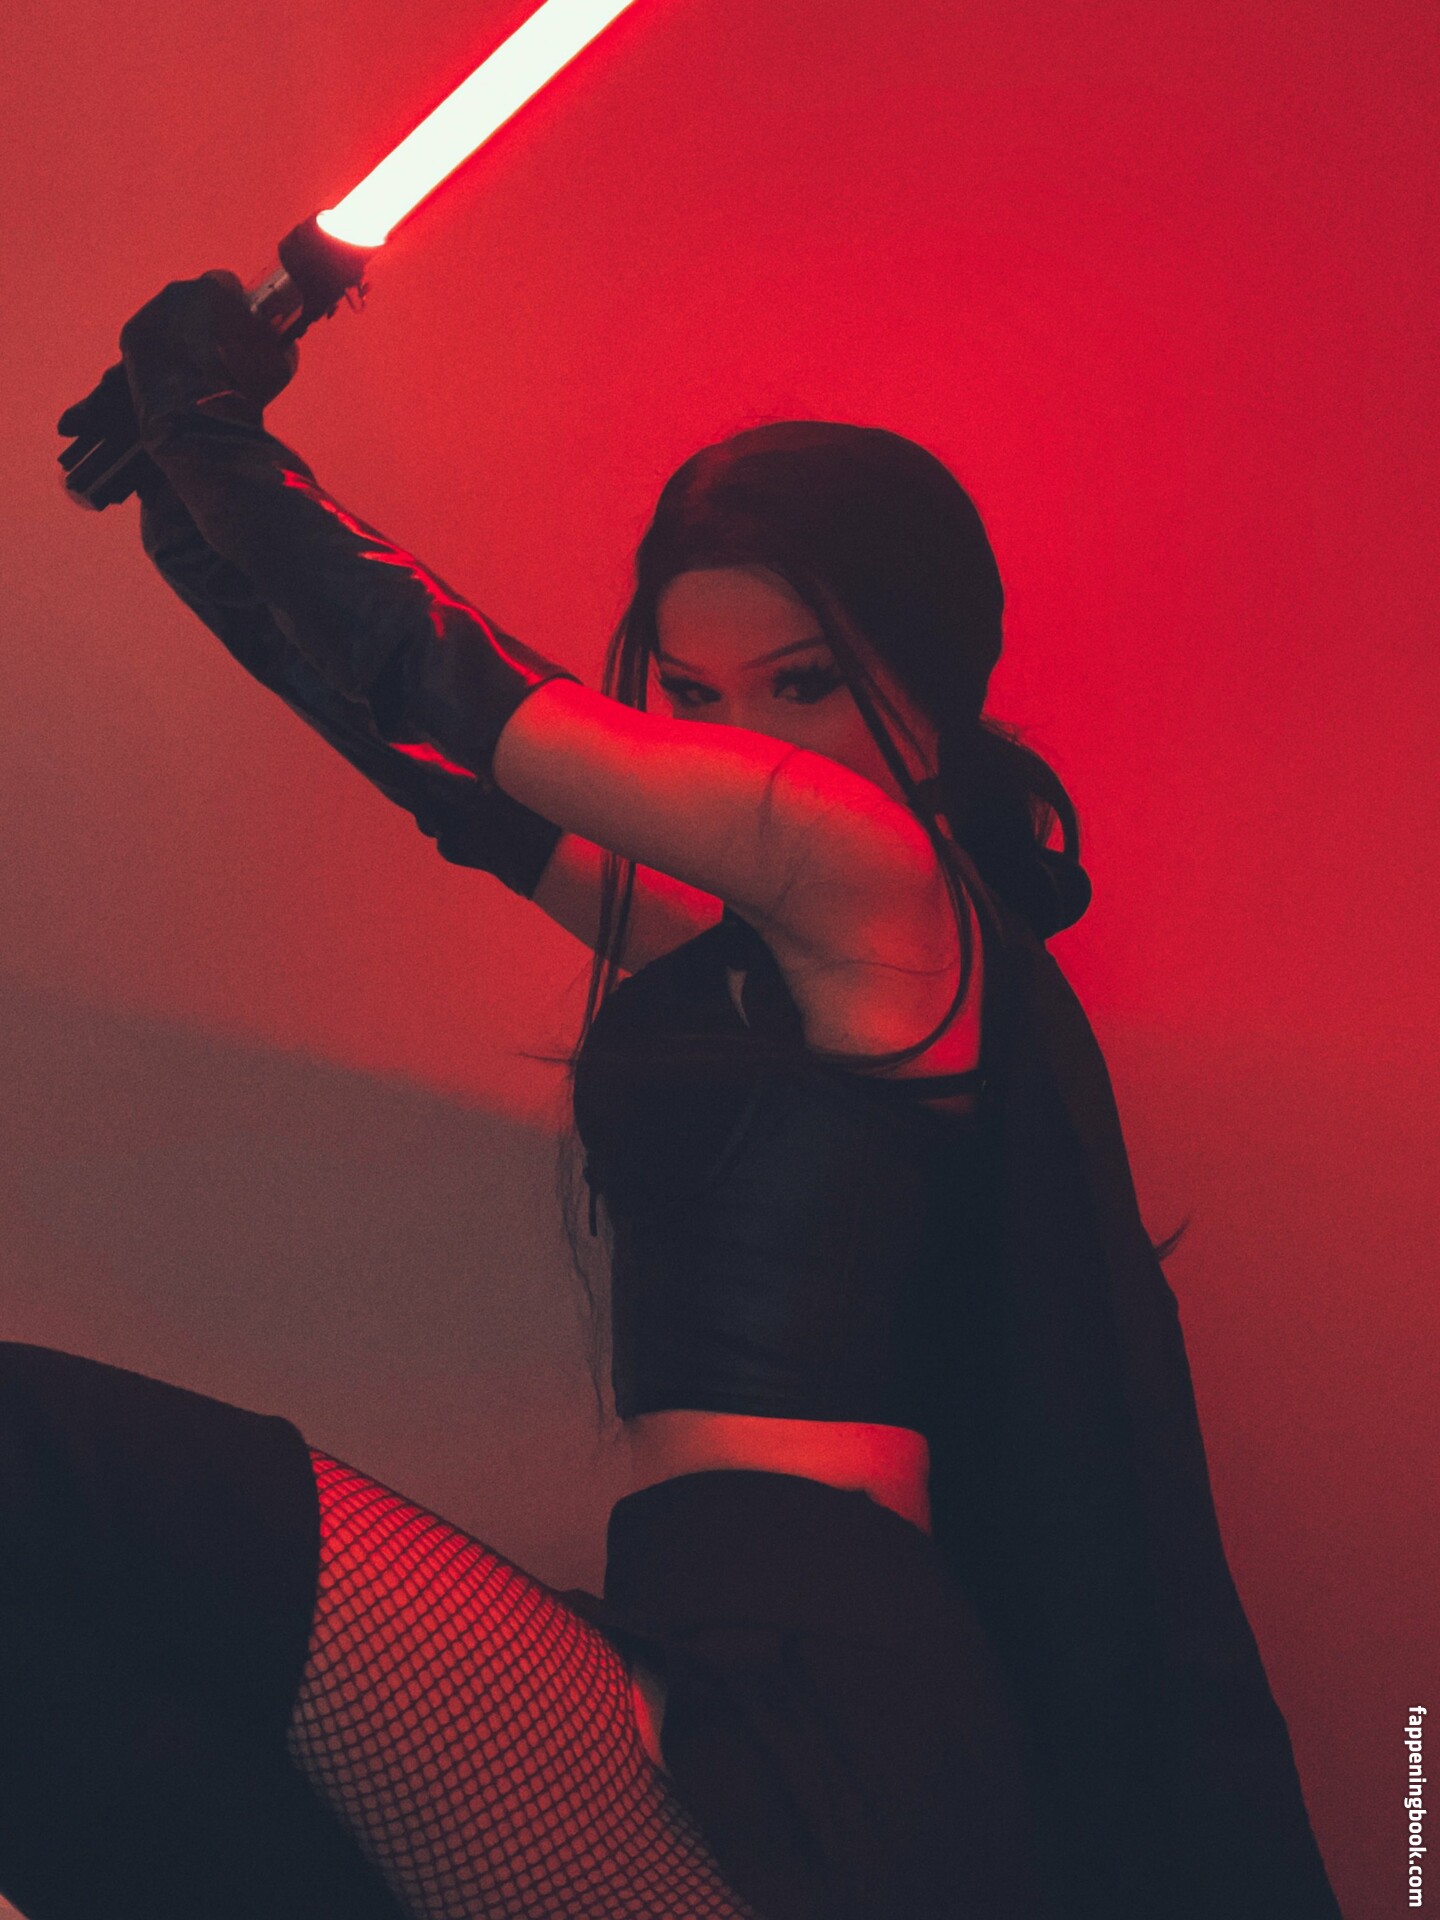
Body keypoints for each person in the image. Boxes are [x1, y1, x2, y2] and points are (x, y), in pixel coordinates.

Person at [15, 271, 1347, 1920]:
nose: (743, 748)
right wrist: (191, 509)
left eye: (802, 684)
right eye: (694, 699)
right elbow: (435, 766)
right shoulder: (760, 936)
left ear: (932, 689)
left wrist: (223, 438)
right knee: (98, 1715)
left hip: (825, 1699)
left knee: (38, 1466)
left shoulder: (875, 880)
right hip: (699, 1631)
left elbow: (464, 693)